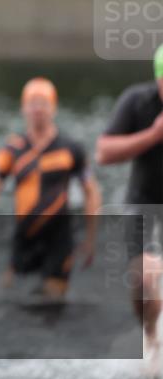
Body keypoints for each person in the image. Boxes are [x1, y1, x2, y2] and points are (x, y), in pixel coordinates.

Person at [0, 77, 102, 299]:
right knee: (9, 299)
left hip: (59, 237)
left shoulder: (71, 149)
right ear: (23, 108)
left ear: (54, 108)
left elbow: (91, 191)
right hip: (25, 235)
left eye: (43, 103)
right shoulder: (13, 149)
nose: (38, 110)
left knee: (52, 301)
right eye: (32, 103)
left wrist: (91, 238)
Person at [96, 44, 163, 373]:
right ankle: (151, 338)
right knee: (142, 280)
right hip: (143, 200)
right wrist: (153, 135)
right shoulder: (137, 101)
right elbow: (103, 153)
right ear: (158, 77)